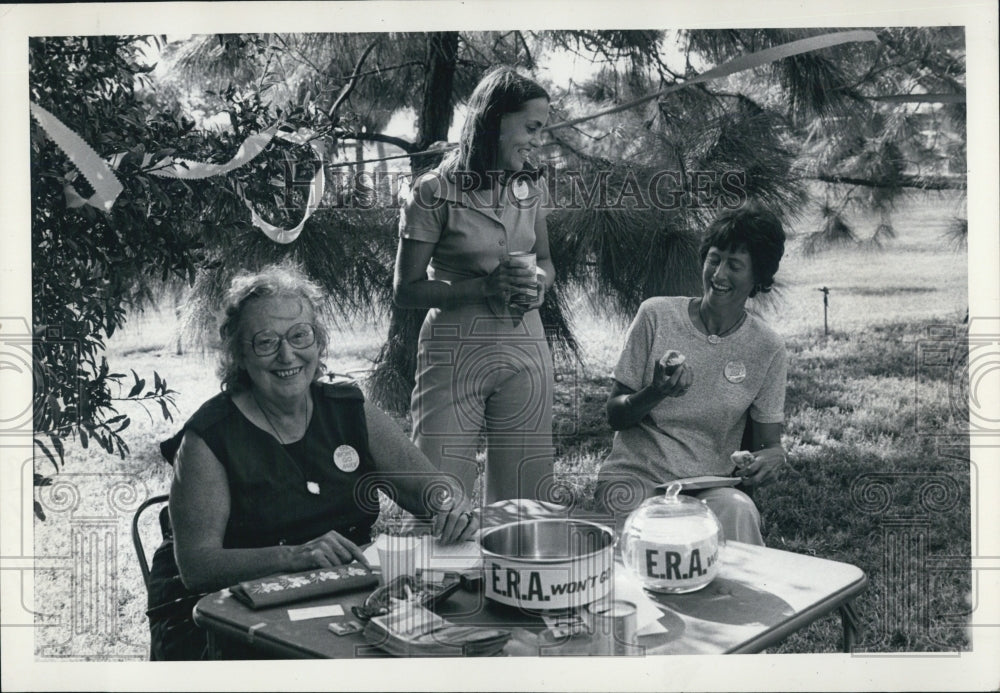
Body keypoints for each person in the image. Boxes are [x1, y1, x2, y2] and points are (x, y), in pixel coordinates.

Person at [147, 262, 478, 660]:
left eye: (299, 335)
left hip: (334, 592)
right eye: (265, 341)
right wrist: (296, 555)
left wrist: (448, 504)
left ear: (318, 341)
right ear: (239, 355)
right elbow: (197, 566)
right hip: (220, 613)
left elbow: (427, 487)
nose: (287, 354)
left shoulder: (349, 409)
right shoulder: (209, 437)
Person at [393, 66, 556, 504]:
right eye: (532, 128)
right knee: (442, 492)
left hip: (526, 347)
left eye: (542, 130)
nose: (538, 141)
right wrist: (483, 289)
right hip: (454, 351)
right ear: (496, 120)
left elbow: (544, 260)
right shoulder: (432, 192)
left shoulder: (529, 187)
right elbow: (405, 290)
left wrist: (540, 282)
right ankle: (447, 575)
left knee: (526, 500)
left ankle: (515, 571)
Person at [596, 205, 788, 545]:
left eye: (734, 265)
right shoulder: (655, 315)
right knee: (641, 534)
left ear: (758, 277)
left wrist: (773, 456)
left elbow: (766, 446)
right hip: (636, 478)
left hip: (708, 488)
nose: (719, 274)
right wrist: (655, 391)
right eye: (714, 259)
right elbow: (615, 415)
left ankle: (741, 598)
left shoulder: (767, 347)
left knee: (739, 510)